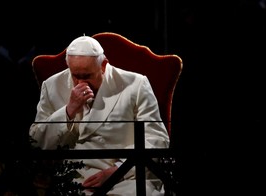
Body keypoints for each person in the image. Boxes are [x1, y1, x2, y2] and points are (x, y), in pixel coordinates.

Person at [29, 35, 170, 196]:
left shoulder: (136, 84)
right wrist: (68, 110)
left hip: (127, 178)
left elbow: (156, 139)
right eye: (75, 76)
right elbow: (37, 143)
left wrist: (116, 171)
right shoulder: (52, 85)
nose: (81, 83)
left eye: (87, 76)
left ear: (103, 65)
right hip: (73, 179)